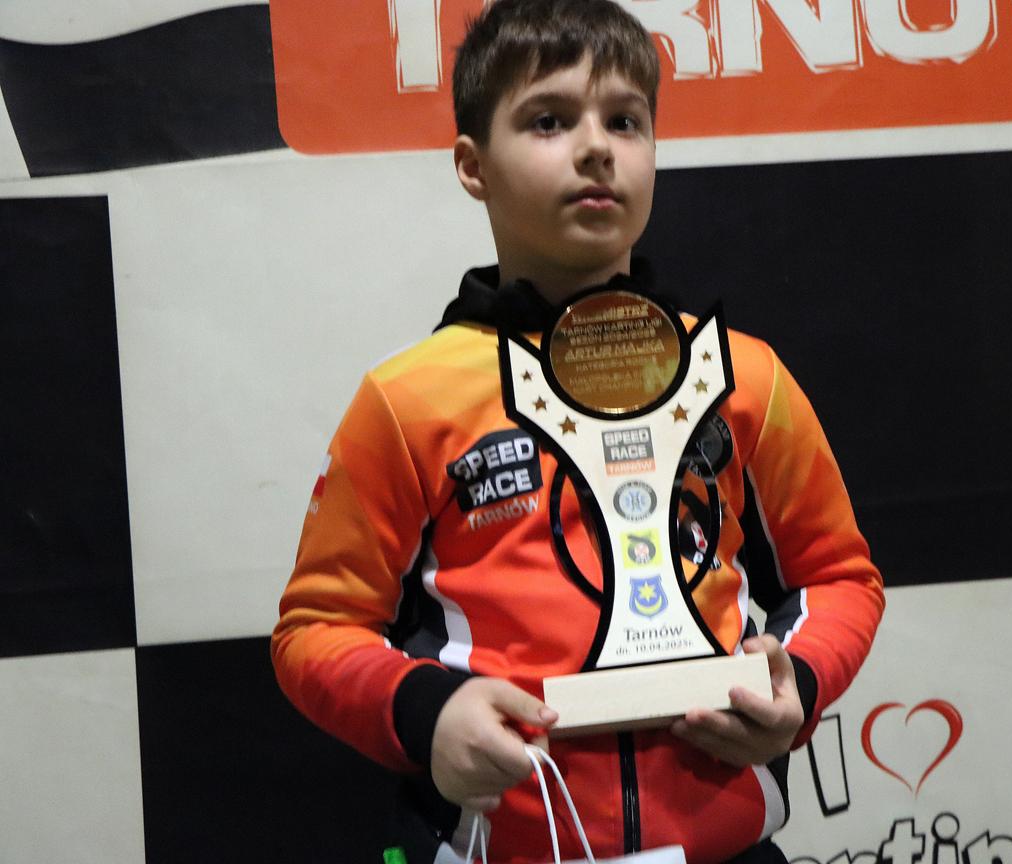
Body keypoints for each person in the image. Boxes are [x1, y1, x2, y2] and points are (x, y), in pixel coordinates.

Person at [271, 0, 884, 861]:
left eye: (625, 121)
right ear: (473, 166)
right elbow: (316, 629)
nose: (597, 147)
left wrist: (801, 682)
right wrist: (430, 715)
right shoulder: (407, 399)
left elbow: (838, 577)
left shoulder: (744, 378)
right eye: (549, 120)